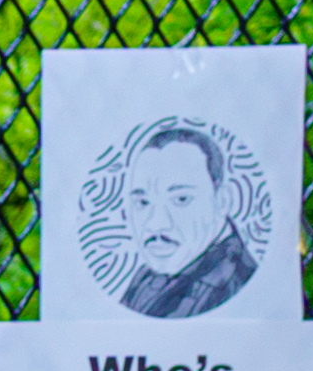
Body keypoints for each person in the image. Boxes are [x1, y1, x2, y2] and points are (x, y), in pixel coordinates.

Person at [109, 123, 259, 319]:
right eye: (143, 202)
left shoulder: (230, 287)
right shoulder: (149, 275)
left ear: (223, 200)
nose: (156, 224)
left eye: (181, 199)